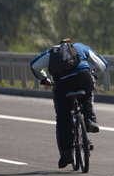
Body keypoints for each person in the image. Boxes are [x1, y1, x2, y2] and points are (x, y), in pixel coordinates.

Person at [30, 39, 108, 168]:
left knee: (62, 118)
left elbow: (34, 66)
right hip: (83, 76)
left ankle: (66, 155)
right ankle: (89, 120)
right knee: (87, 94)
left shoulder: (52, 51)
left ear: (59, 44)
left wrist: (44, 79)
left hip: (62, 84)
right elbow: (102, 65)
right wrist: (93, 76)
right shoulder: (80, 47)